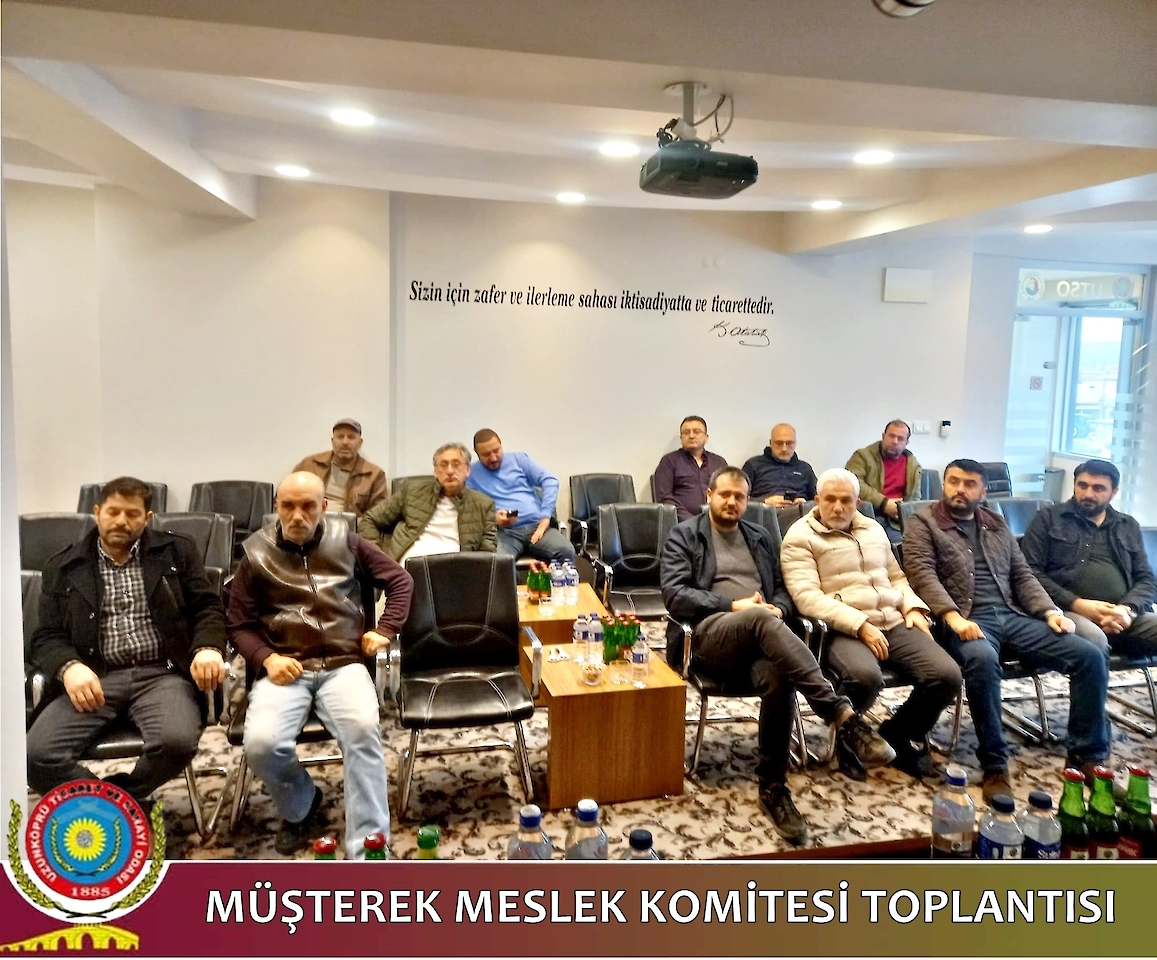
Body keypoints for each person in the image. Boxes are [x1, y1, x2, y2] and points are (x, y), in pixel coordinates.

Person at [659, 466, 896, 845]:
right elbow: (675, 595)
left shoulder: (759, 536)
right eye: (725, 495)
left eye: (739, 496)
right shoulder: (685, 535)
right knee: (758, 619)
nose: (732, 502)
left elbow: (784, 592)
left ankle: (773, 786)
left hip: (762, 637)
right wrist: (733, 605)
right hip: (707, 637)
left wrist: (779, 610)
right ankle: (840, 715)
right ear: (709, 496)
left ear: (747, 500)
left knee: (780, 674)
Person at [227, 472, 414, 858]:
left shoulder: (347, 541)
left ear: (324, 507)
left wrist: (386, 629)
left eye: (308, 506)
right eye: (288, 506)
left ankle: (369, 849)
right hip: (285, 667)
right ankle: (301, 803)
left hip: (344, 665)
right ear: (276, 506)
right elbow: (239, 625)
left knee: (363, 731)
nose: (297, 515)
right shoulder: (256, 553)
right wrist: (266, 658)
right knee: (261, 745)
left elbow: (401, 581)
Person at [902, 459, 1110, 801]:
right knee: (982, 660)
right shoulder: (923, 523)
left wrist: (1049, 612)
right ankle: (995, 765)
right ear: (945, 484)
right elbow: (922, 574)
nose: (959, 489)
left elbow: (1022, 575)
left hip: (1012, 615)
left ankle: (1086, 756)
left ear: (984, 491)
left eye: (969, 484)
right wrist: (953, 617)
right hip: (963, 618)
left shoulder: (995, 523)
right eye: (953, 481)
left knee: (1088, 655)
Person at [26, 477, 227, 802]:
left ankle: (118, 804)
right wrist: (68, 666)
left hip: (162, 674)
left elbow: (208, 607)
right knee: (36, 756)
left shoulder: (176, 551)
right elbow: (45, 636)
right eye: (113, 512)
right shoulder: (63, 566)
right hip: (94, 677)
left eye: (132, 514)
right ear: (97, 512)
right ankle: (114, 809)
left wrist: (207, 647)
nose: (121, 521)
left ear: (147, 518)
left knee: (176, 742)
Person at [780, 469, 961, 780]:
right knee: (864, 677)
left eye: (846, 500)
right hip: (841, 627)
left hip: (891, 619)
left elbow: (897, 577)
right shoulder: (799, 537)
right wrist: (860, 624)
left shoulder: (873, 529)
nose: (838, 507)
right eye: (830, 499)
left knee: (946, 676)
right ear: (817, 500)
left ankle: (897, 733)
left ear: (858, 502)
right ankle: (849, 744)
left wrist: (912, 606)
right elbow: (807, 598)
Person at [1022, 459, 1157, 657]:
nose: (1088, 494)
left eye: (1098, 488)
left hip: (1121, 614)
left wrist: (1127, 610)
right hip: (1067, 611)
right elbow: (1029, 573)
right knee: (1094, 641)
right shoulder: (1048, 518)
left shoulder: (1127, 525)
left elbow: (1146, 579)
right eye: (1082, 485)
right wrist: (1076, 603)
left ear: (1114, 492)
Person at [358, 442, 497, 561]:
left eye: (456, 464)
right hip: (408, 567)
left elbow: (487, 555)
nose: (449, 471)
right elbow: (370, 519)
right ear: (435, 471)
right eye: (443, 465)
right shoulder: (411, 491)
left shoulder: (484, 505)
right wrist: (378, 557)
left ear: (467, 470)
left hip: (454, 569)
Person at [466, 428, 575, 562]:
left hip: (537, 526)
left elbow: (550, 480)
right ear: (476, 453)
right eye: (486, 454)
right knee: (497, 562)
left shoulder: (519, 460)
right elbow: (469, 512)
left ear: (501, 445)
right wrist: (493, 519)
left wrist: (545, 518)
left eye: (496, 450)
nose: (493, 458)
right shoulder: (470, 474)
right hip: (503, 533)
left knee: (566, 550)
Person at [294, 418, 388, 518]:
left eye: (351, 437)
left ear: (360, 443)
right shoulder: (310, 464)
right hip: (311, 522)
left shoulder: (375, 475)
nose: (345, 442)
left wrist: (355, 523)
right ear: (332, 441)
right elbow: (287, 496)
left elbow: (377, 515)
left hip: (351, 525)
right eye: (340, 437)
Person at [846, 420, 922, 541]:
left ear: (906, 442)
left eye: (900, 438)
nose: (895, 441)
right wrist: (884, 503)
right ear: (883, 436)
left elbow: (915, 497)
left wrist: (902, 511)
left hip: (898, 520)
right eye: (891, 436)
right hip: (870, 516)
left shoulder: (913, 465)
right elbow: (851, 483)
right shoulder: (862, 456)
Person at [653, 415, 728, 521]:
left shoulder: (719, 462)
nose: (691, 436)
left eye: (697, 432)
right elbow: (664, 497)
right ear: (681, 438)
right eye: (686, 432)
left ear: (706, 437)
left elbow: (729, 491)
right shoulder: (669, 461)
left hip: (717, 520)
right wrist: (691, 520)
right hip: (681, 522)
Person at [742, 423, 818, 506]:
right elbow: (739, 497)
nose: (784, 449)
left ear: (795, 443)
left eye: (789, 443)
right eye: (779, 443)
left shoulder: (805, 468)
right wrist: (764, 502)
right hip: (764, 511)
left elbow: (820, 498)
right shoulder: (754, 465)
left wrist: (806, 504)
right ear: (770, 443)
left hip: (799, 511)